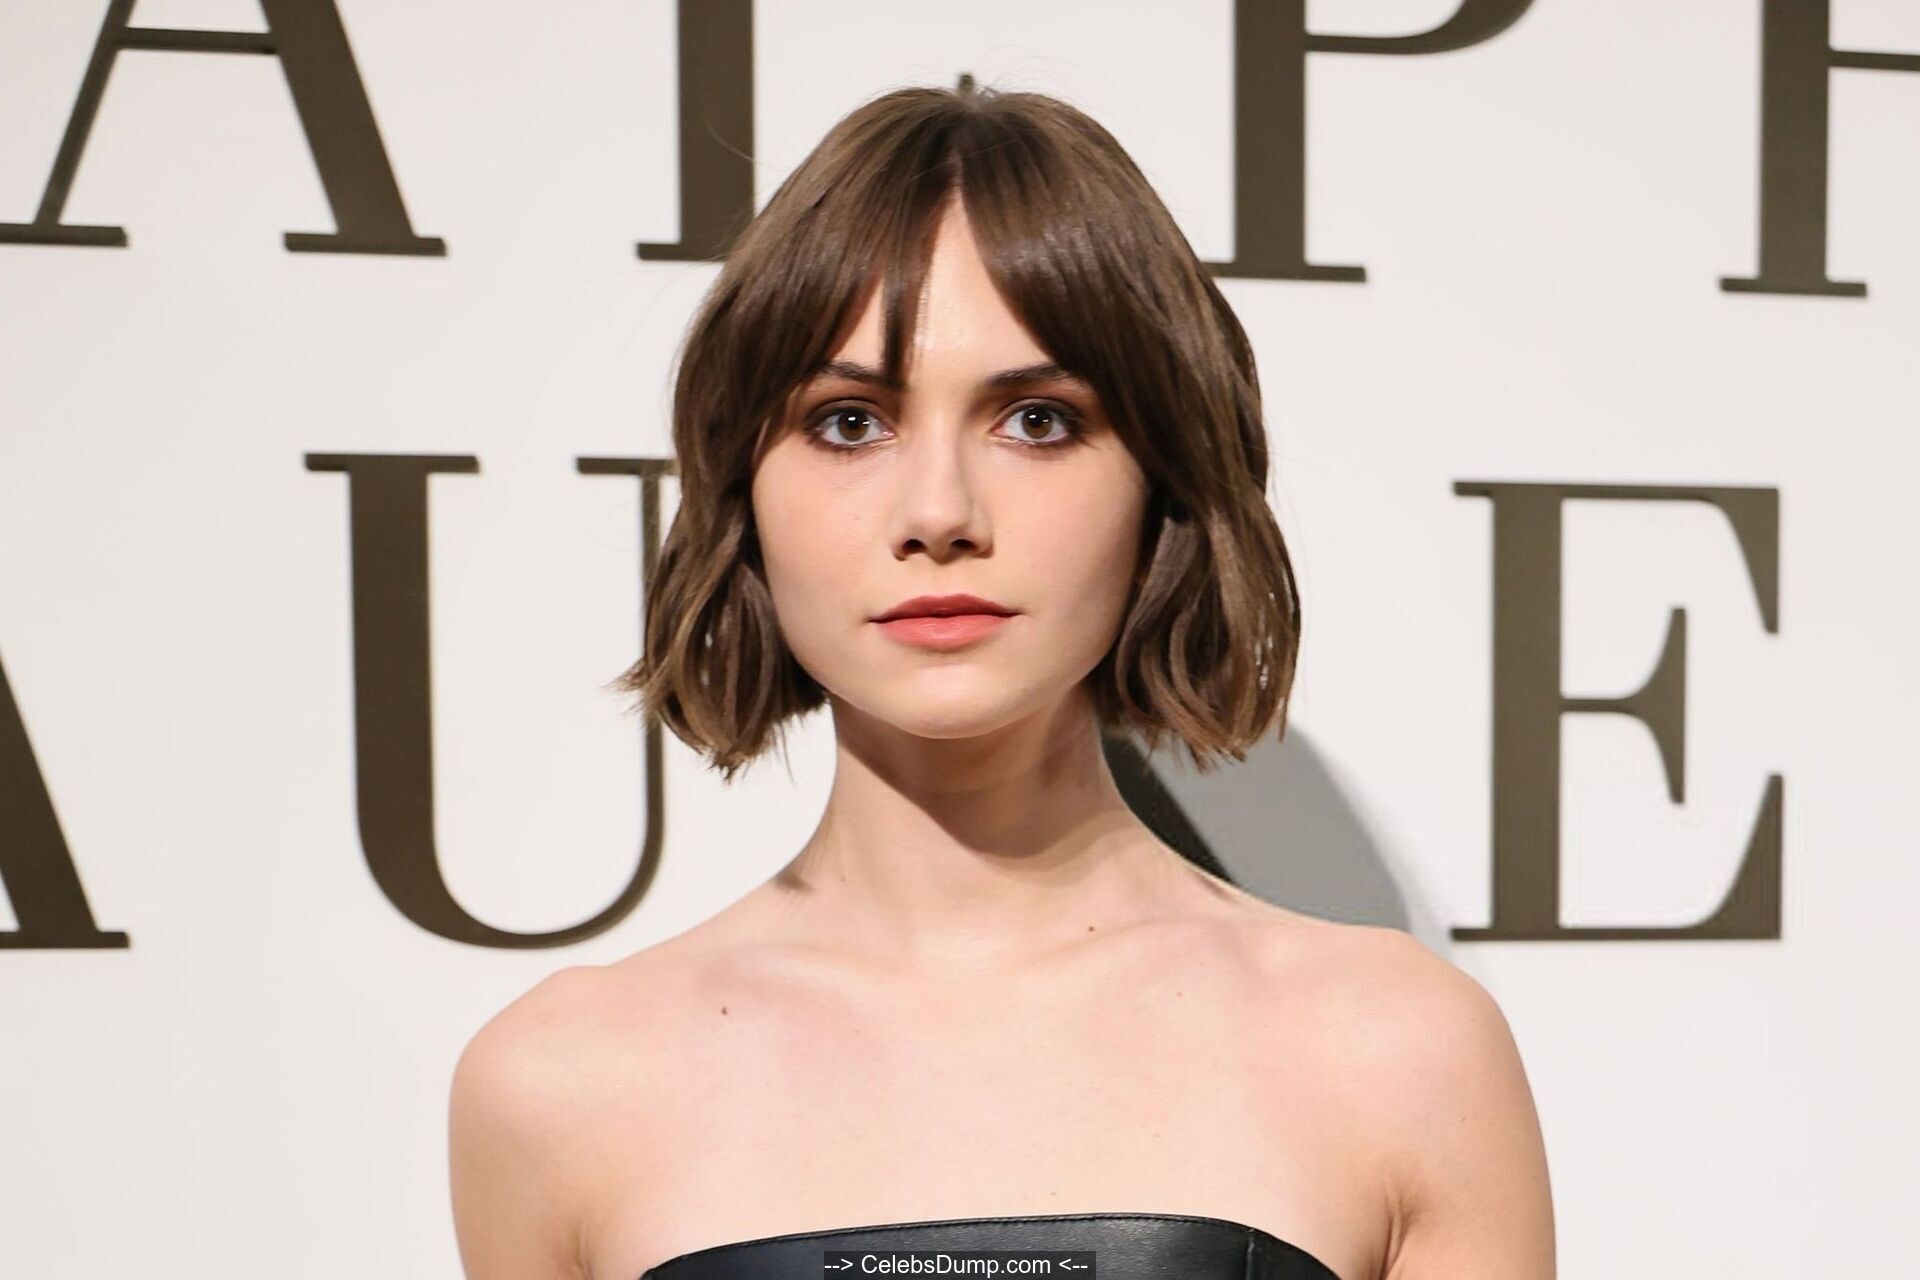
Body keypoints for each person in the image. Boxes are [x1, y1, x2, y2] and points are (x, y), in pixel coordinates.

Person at [447, 82, 1556, 1280]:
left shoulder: (1395, 1049)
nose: (940, 512)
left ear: (1163, 480)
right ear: (740, 491)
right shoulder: (559, 1081)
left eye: (1036, 420)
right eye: (848, 422)